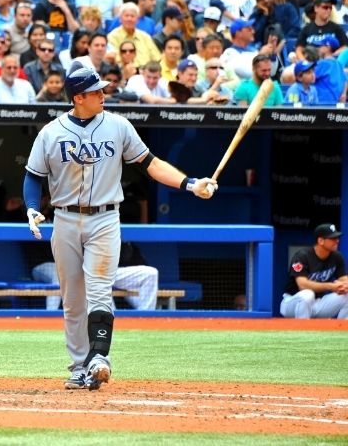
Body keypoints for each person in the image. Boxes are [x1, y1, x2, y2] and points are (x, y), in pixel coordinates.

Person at [23, 64, 217, 390]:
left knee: (99, 291)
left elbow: (151, 164)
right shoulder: (51, 132)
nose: (103, 95)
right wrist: (31, 208)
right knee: (72, 300)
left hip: (105, 218)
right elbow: (32, 175)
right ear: (79, 97)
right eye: (97, 91)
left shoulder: (118, 126)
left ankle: (99, 359)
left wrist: (189, 183)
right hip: (66, 219)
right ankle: (79, 366)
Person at [280, 223, 348, 319]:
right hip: (292, 302)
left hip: (317, 303)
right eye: (332, 238)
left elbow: (344, 280)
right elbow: (302, 285)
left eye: (337, 238)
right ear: (320, 241)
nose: (337, 241)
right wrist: (331, 286)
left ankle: (342, 329)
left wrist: (344, 286)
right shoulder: (302, 256)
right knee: (308, 294)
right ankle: (302, 331)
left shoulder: (337, 257)